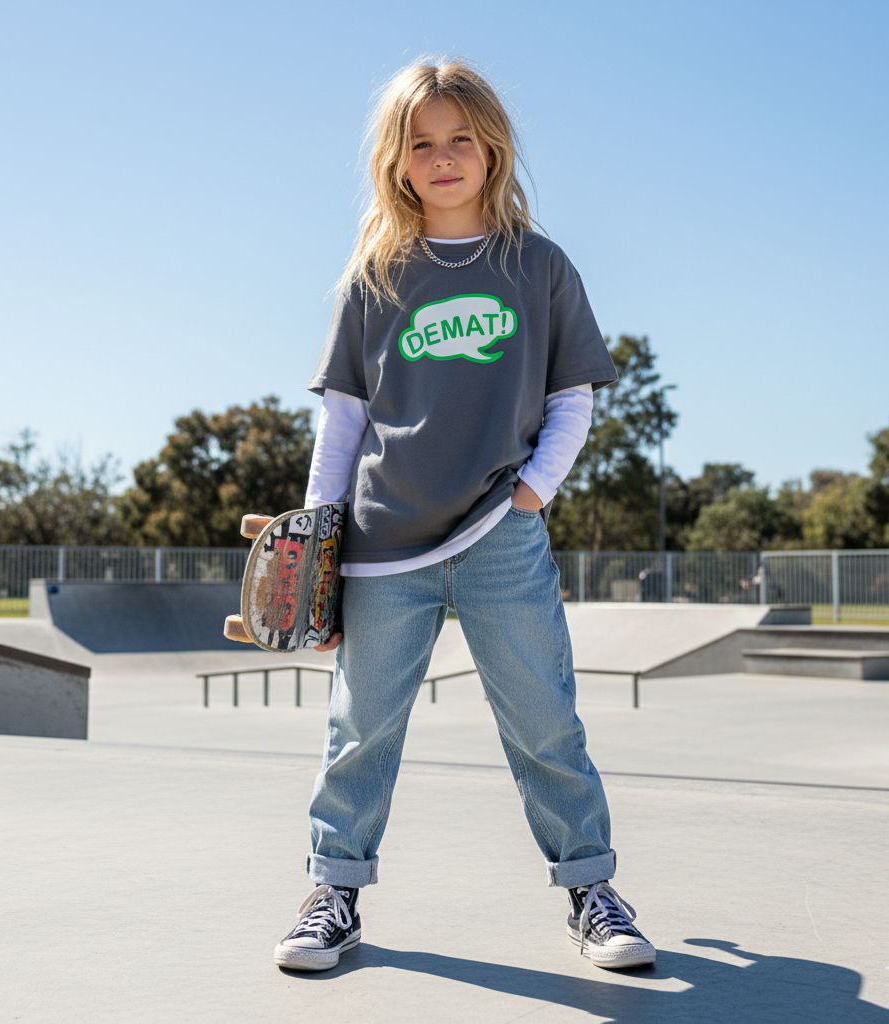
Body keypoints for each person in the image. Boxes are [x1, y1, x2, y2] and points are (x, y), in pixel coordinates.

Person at [273, 59, 655, 974]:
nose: (443, 158)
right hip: (381, 545)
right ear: (397, 162)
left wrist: (532, 493)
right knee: (361, 727)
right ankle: (334, 890)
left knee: (542, 719)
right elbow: (343, 420)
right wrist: (319, 538)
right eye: (422, 144)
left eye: (460, 140)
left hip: (500, 533)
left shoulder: (539, 265)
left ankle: (592, 889)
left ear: (492, 148)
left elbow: (573, 397)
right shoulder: (373, 276)